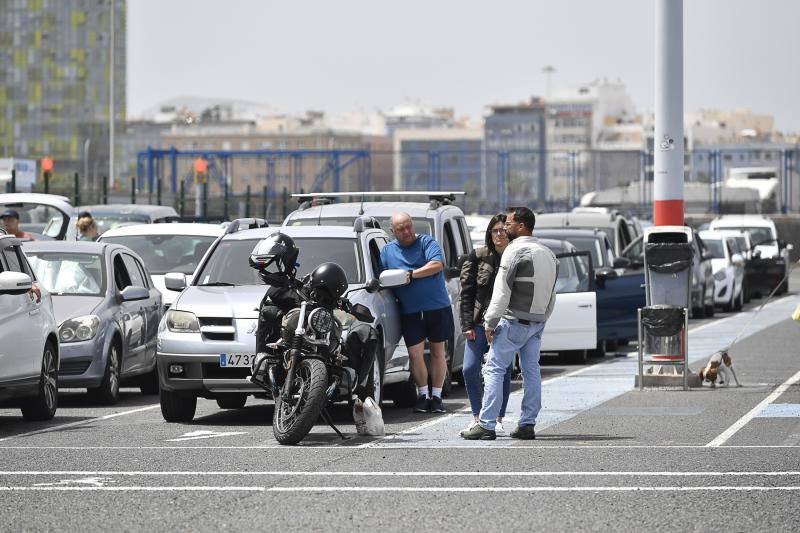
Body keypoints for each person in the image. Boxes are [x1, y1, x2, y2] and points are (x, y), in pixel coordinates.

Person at [461, 206, 558, 441]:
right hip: (536, 322)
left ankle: (486, 424)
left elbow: (502, 291)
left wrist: (490, 322)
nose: (505, 227)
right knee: (531, 371)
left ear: (521, 226)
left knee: (493, 369)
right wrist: (543, 318)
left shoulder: (514, 251)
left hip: (514, 320)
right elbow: (552, 293)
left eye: (510, 223)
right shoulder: (548, 253)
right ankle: (527, 423)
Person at [379, 212, 453, 414]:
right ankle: (423, 395)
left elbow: (437, 265)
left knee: (438, 353)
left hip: (437, 307)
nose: (406, 231)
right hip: (410, 311)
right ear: (393, 232)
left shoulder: (427, 242)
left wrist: (410, 275)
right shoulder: (387, 251)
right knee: (414, 354)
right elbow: (383, 279)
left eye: (408, 226)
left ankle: (436, 396)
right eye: (401, 229)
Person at [458, 214, 513, 435]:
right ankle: (478, 416)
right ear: (490, 234)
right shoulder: (478, 256)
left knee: (503, 371)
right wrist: (467, 324)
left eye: (502, 230)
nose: (499, 234)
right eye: (495, 231)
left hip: (506, 324)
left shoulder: (515, 256)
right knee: (470, 369)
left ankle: (498, 416)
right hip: (479, 323)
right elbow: (466, 293)